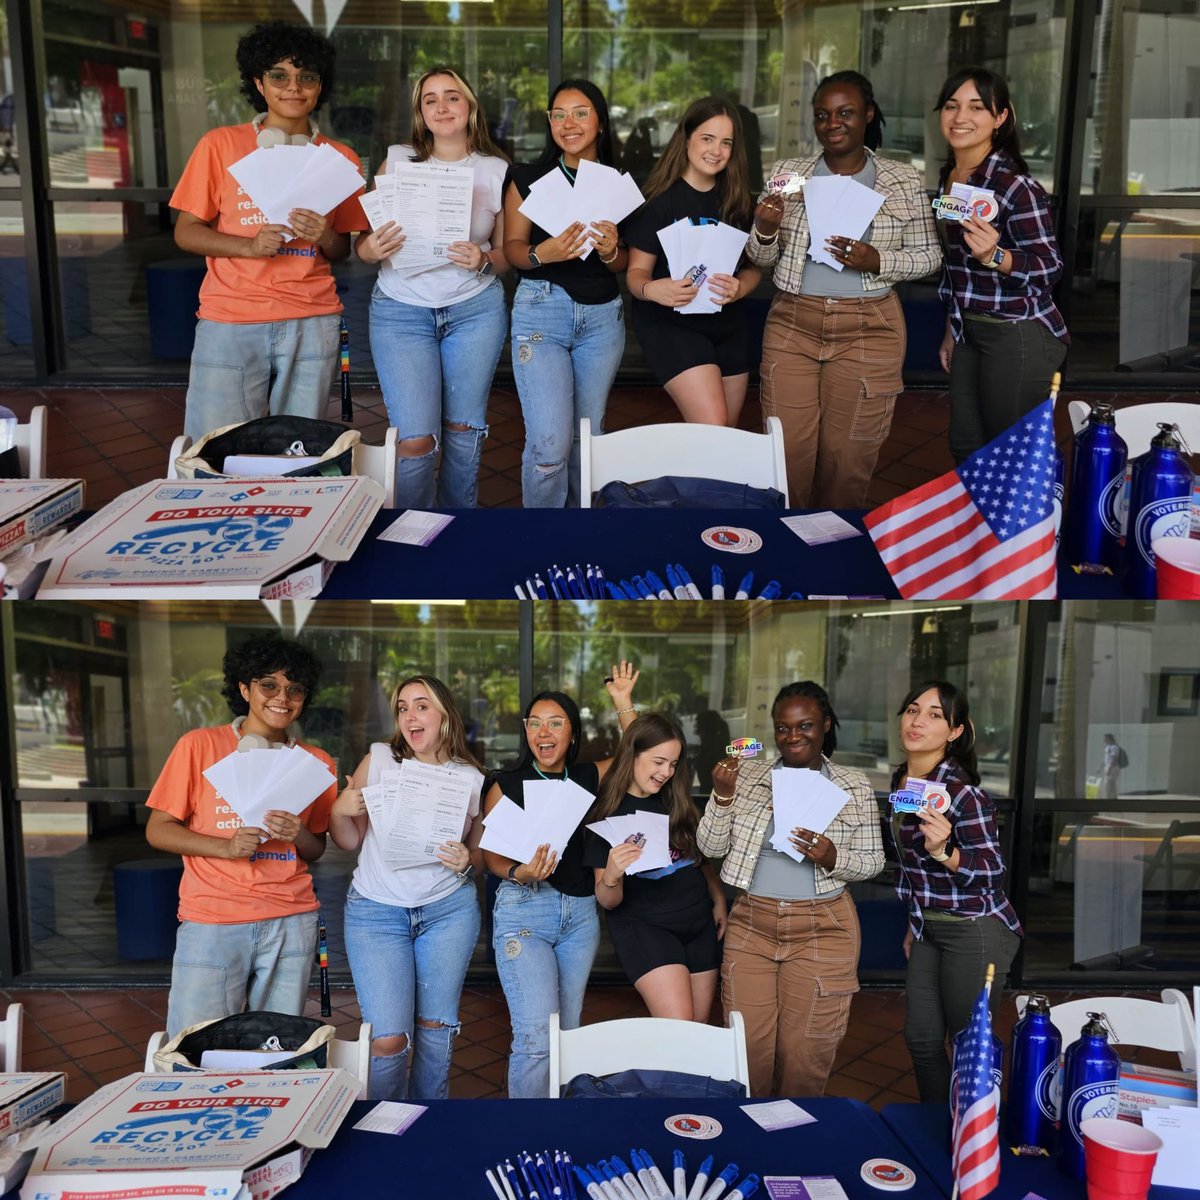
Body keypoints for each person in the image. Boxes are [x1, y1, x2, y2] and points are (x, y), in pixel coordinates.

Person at [747, 71, 941, 507]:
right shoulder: (788, 174)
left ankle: (832, 549)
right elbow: (761, 259)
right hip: (793, 323)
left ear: (868, 115)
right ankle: (787, 547)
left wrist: (879, 260)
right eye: (822, 115)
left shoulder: (902, 179)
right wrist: (763, 229)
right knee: (785, 454)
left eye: (845, 113)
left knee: (847, 457)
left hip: (868, 327)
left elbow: (930, 256)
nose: (832, 123)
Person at [171, 22, 367, 441]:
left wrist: (324, 236)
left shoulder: (341, 157)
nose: (293, 87)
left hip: (312, 321)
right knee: (215, 445)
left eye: (307, 77)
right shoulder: (219, 145)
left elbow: (341, 251)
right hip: (231, 319)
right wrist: (249, 245)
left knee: (296, 450)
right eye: (279, 75)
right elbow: (186, 232)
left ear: (320, 86)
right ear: (258, 82)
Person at [697, 681, 885, 1098]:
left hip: (823, 925)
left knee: (805, 1054)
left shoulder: (852, 785)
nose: (793, 736)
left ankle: (793, 1144)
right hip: (753, 925)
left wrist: (834, 857)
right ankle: (750, 1143)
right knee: (747, 1050)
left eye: (805, 726)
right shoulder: (749, 777)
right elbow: (710, 847)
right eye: (783, 728)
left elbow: (873, 861)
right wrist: (723, 797)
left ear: (826, 725)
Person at [145, 635, 336, 1038]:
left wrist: (299, 834)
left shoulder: (316, 762)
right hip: (213, 918)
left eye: (294, 689)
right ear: (244, 689)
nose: (282, 697)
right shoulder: (198, 746)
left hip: (291, 919)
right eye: (269, 685)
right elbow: (158, 829)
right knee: (195, 1042)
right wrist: (226, 847)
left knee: (276, 1047)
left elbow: (316, 848)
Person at [482, 662, 640, 1097]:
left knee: (567, 1032)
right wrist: (519, 871)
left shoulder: (587, 777)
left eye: (555, 723)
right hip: (524, 910)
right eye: (535, 723)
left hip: (580, 915)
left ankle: (561, 1124)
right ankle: (528, 1133)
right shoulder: (507, 783)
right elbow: (489, 855)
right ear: (526, 731)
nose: (543, 732)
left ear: (572, 733)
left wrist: (623, 702)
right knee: (536, 1037)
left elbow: (637, 752)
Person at [355, 67, 509, 509]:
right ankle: (412, 525)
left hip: (473, 311)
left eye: (452, 97)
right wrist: (370, 248)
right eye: (430, 100)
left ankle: (459, 524)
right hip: (402, 311)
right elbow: (362, 249)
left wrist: (482, 261)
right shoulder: (398, 160)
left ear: (470, 106)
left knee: (463, 430)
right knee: (416, 439)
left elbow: (503, 257)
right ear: (420, 113)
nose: (442, 107)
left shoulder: (496, 169)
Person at [331, 675, 485, 1100]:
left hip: (447, 911)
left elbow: (478, 853)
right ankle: (384, 1125)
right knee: (388, 1039)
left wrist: (467, 861)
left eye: (421, 705)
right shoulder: (380, 759)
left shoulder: (471, 777)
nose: (410, 716)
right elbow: (347, 838)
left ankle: (428, 1123)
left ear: (443, 716)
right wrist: (340, 811)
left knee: (436, 1028)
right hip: (376, 911)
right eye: (402, 707)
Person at [889, 680, 1022, 1102]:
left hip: (975, 930)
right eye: (913, 710)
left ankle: (974, 1147)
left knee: (969, 1049)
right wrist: (916, 921)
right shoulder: (905, 783)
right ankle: (938, 1130)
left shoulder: (964, 795)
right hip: (930, 928)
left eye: (935, 715)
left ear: (955, 731)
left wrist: (945, 851)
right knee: (922, 1040)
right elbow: (912, 870)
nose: (918, 721)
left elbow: (992, 872)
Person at [503, 79, 629, 507]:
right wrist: (545, 252)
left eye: (580, 112)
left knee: (589, 438)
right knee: (550, 444)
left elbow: (625, 263)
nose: (568, 123)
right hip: (542, 313)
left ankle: (581, 531)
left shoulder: (617, 183)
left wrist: (612, 251)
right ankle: (542, 539)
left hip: (602, 319)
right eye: (558, 114)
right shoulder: (527, 177)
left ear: (600, 121)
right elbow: (513, 251)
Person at [934, 68, 1068, 463]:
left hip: (1018, 334)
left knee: (1010, 454)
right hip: (969, 331)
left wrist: (996, 256)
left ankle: (1022, 528)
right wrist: (951, 328)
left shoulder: (1014, 186)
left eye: (976, 107)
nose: (961, 117)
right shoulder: (951, 177)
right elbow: (955, 267)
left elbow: (1049, 267)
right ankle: (978, 526)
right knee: (966, 446)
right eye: (951, 105)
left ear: (1000, 117)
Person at [625, 97, 761, 426]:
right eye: (707, 138)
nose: (716, 150)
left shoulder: (739, 202)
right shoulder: (659, 202)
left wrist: (741, 287)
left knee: (725, 432)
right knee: (712, 427)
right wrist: (652, 289)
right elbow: (635, 273)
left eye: (726, 142)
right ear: (686, 140)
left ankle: (697, 480)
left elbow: (756, 267)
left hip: (729, 325)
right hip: (671, 325)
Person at [584, 714, 728, 1021]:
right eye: (659, 762)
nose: (667, 772)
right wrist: (611, 874)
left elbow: (697, 859)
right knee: (678, 1031)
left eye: (674, 764)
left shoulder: (675, 800)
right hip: (647, 928)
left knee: (696, 1036)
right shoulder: (605, 814)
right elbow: (609, 900)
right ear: (632, 755)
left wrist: (718, 899)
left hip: (699, 922)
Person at [1098, 732, 1123, 800]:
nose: (1103, 740)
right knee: (1111, 784)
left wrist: (1109, 768)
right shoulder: (1108, 747)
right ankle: (1113, 798)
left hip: (1112, 768)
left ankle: (1110, 799)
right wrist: (1100, 767)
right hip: (1109, 767)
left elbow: (1114, 759)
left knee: (1108, 784)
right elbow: (1106, 758)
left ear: (1108, 739)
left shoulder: (1114, 747)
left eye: (1105, 738)